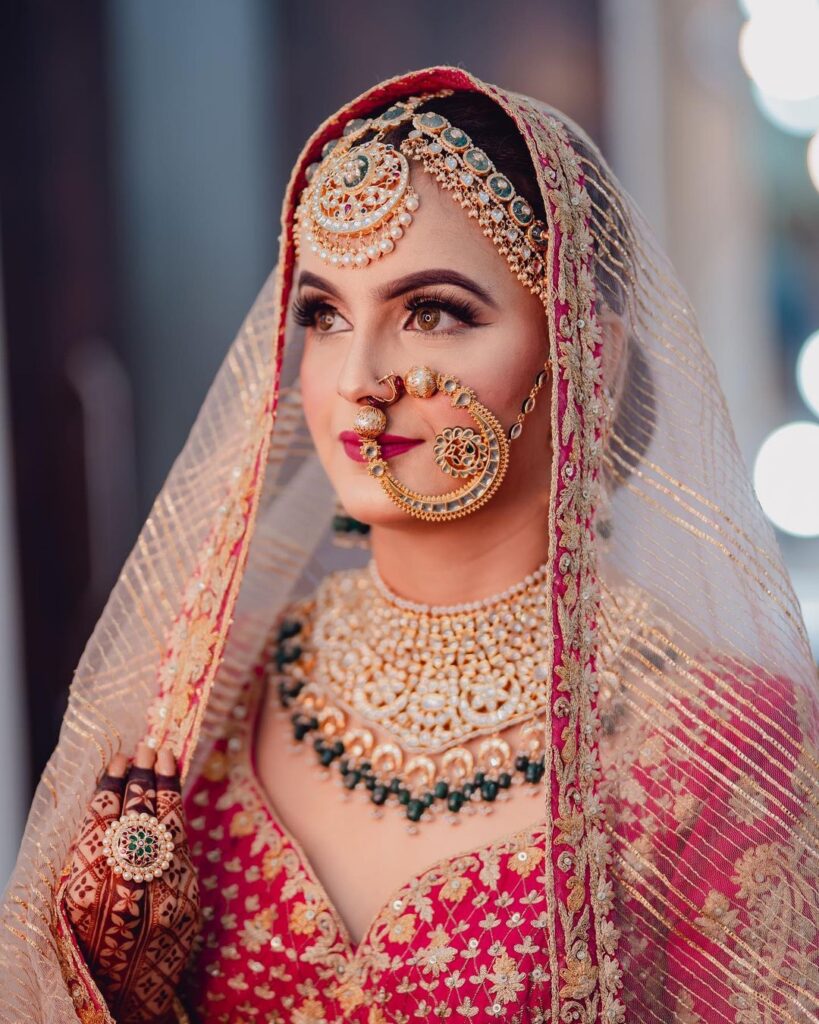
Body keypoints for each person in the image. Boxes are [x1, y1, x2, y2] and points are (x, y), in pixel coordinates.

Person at [2, 65, 818, 1024]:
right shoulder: (204, 708)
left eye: (431, 312)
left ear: (583, 354)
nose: (357, 378)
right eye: (322, 314)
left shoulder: (719, 746)